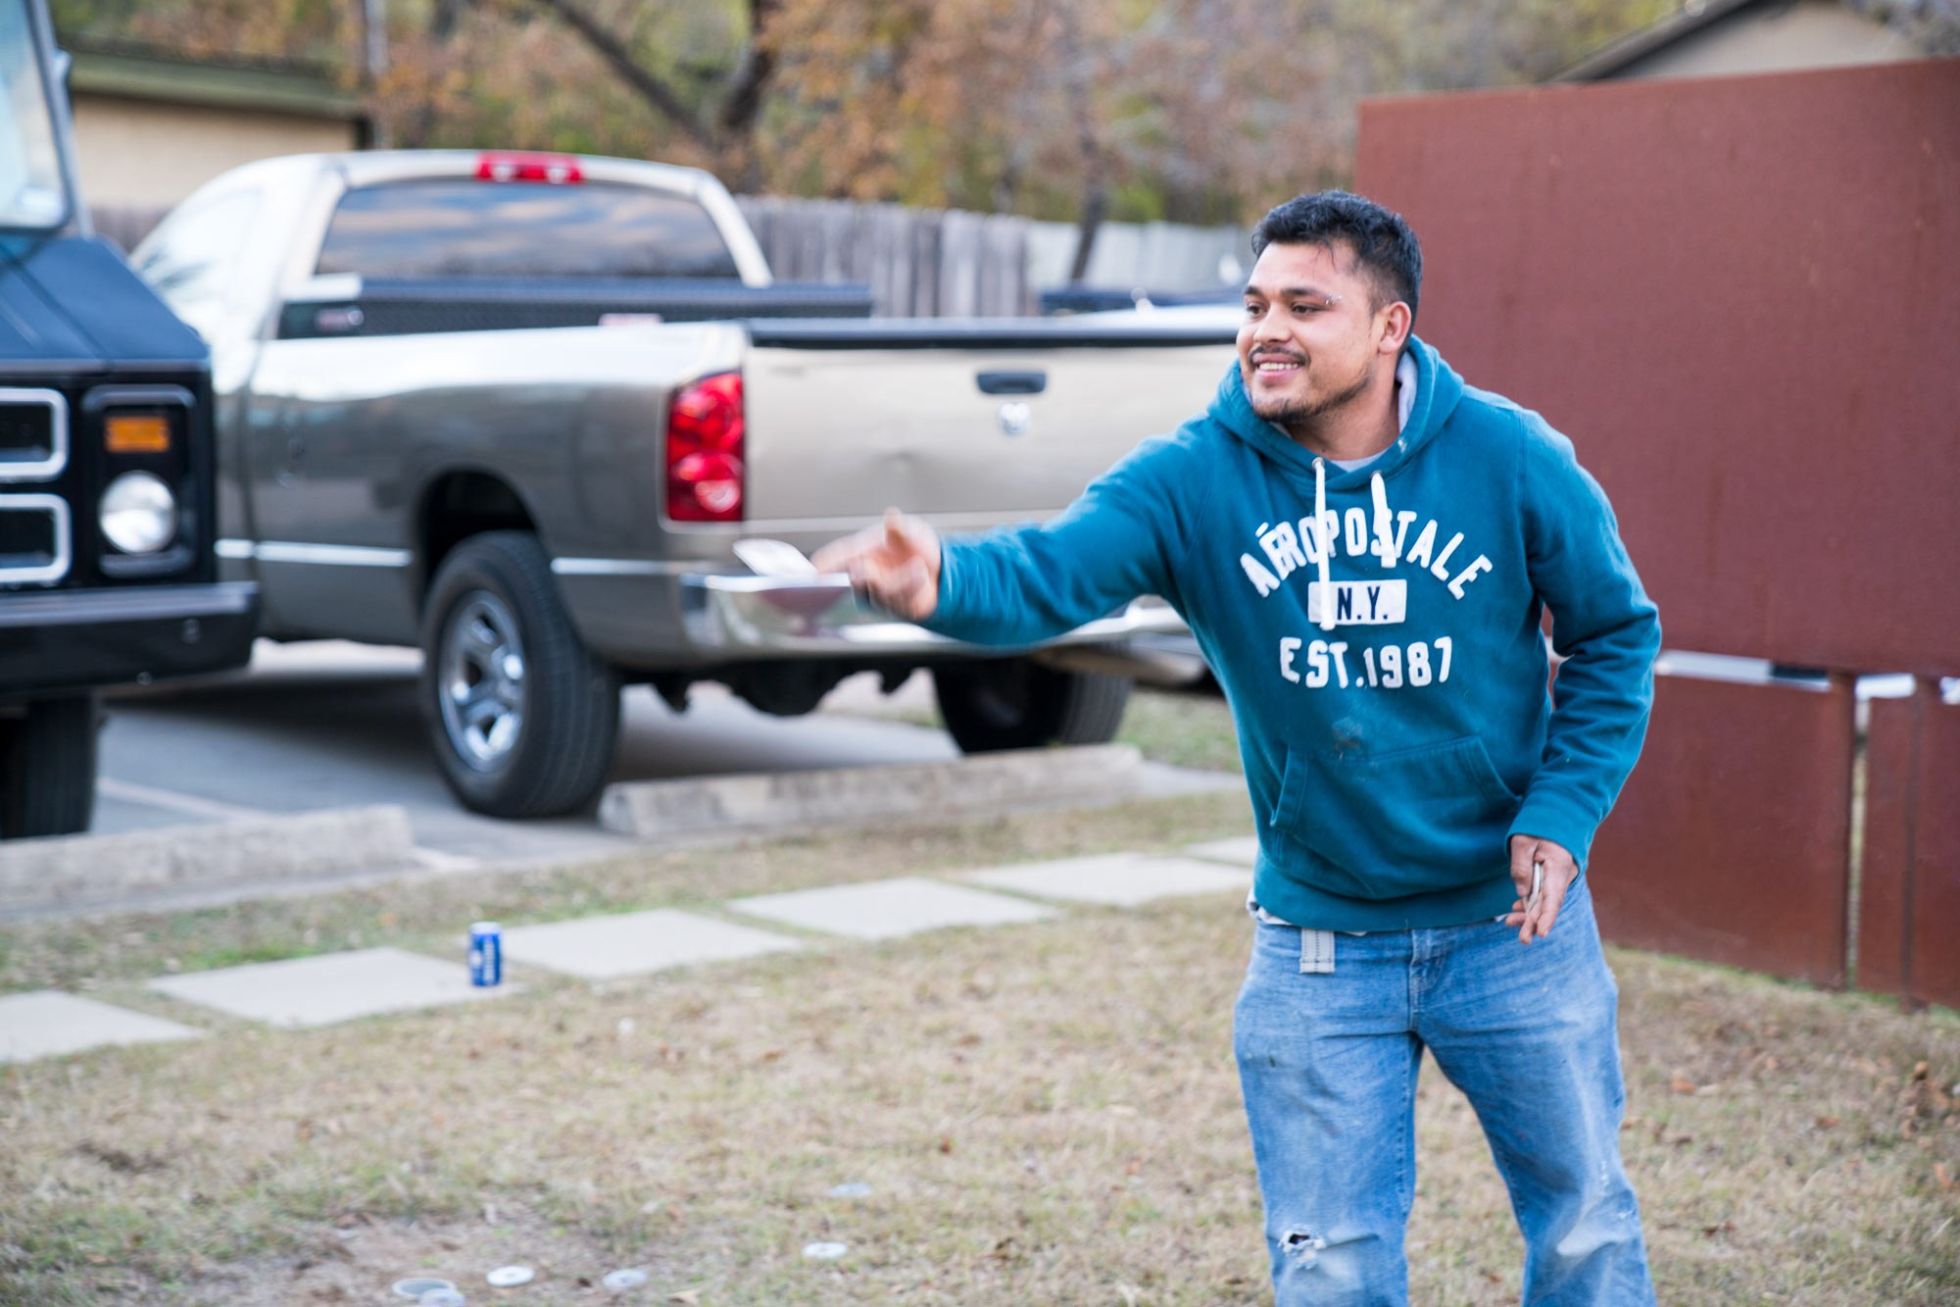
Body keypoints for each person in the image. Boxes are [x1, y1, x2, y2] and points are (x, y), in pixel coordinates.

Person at [814, 190, 1661, 1306]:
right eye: (1255, 301)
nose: (1267, 327)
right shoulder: (1194, 476)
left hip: (1510, 932)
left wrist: (1560, 813)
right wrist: (942, 583)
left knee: (1583, 1232)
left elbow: (1614, 634)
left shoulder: (1506, 456)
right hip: (1318, 943)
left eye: (1305, 305)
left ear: (1388, 328)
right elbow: (1049, 571)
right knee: (1330, 1263)